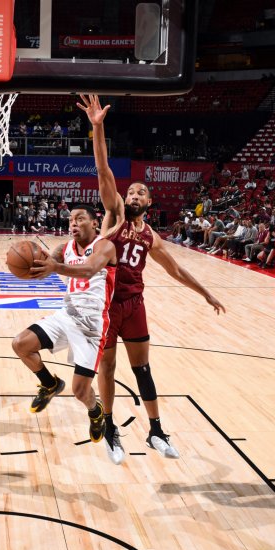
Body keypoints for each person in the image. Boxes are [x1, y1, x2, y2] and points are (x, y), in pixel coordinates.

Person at [75, 94, 226, 464]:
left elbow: (176, 270)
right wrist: (98, 128)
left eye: (140, 191)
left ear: (150, 201)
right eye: (131, 191)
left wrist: (205, 292)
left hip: (135, 305)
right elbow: (103, 171)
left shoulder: (151, 236)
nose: (133, 194)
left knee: (142, 368)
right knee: (108, 368)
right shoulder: (113, 216)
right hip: (106, 306)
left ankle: (156, 429)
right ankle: (110, 428)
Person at [16, 205, 118, 443]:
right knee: (20, 344)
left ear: (95, 223)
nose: (73, 223)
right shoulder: (64, 248)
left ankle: (95, 412)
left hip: (91, 325)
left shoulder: (105, 246)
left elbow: (89, 269)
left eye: (79, 219)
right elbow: (45, 266)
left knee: (81, 392)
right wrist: (29, 263)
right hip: (66, 314)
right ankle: (50, 384)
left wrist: (56, 267)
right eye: (70, 219)